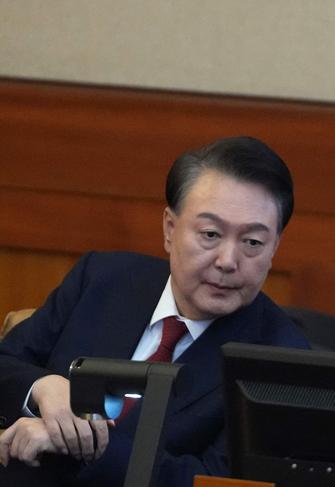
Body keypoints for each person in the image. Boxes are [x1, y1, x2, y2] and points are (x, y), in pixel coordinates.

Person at [0, 136, 310, 486]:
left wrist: (82, 441)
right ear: (169, 229)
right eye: (210, 234)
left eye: (252, 242)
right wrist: (41, 387)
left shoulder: (282, 361)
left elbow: (216, 480)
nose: (227, 261)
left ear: (274, 250)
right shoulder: (102, 278)